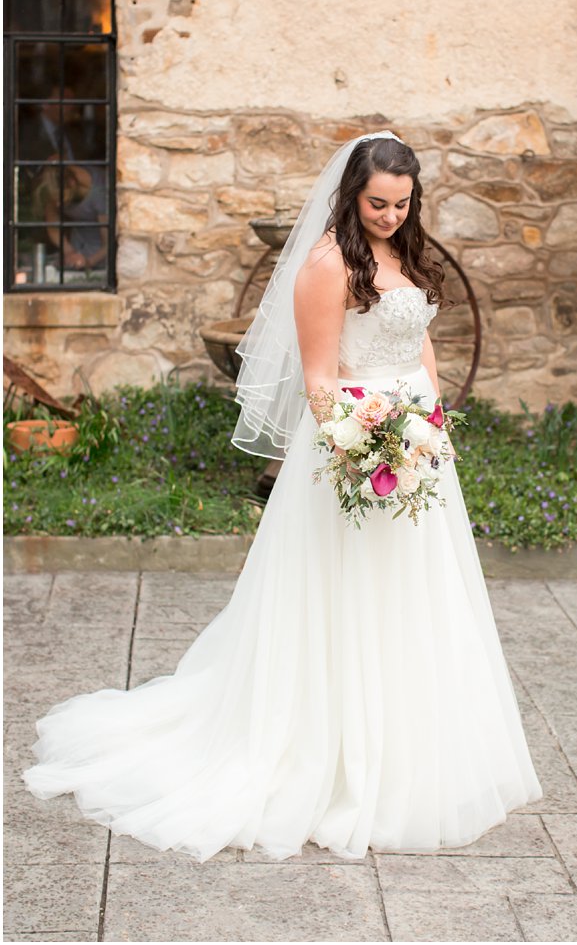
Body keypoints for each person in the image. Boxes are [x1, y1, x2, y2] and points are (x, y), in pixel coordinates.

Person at [24, 132, 542, 861]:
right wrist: (364, 447)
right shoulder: (327, 264)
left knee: (413, 596)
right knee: (346, 598)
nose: (391, 216)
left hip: (417, 449)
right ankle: (330, 754)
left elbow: (418, 343)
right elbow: (319, 376)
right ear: (351, 194)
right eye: (377, 203)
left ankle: (409, 750)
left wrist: (430, 427)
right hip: (353, 450)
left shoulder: (404, 254)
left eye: (402, 203)